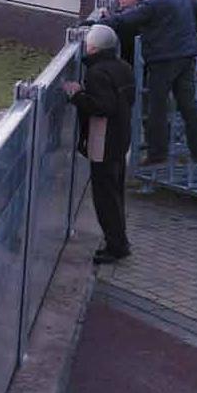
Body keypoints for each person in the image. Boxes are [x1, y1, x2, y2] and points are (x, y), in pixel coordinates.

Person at [104, 0, 197, 166]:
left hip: (163, 61)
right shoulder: (183, 0)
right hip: (186, 58)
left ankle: (157, 153)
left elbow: (124, 20)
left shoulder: (151, 4)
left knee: (157, 108)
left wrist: (97, 23)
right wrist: (191, 29)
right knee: (189, 106)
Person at [63, 23, 135, 265]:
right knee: (116, 192)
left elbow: (103, 107)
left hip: (104, 141)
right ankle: (119, 240)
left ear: (92, 46)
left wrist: (77, 95)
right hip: (122, 137)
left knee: (104, 196)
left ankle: (116, 246)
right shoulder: (123, 67)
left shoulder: (97, 73)